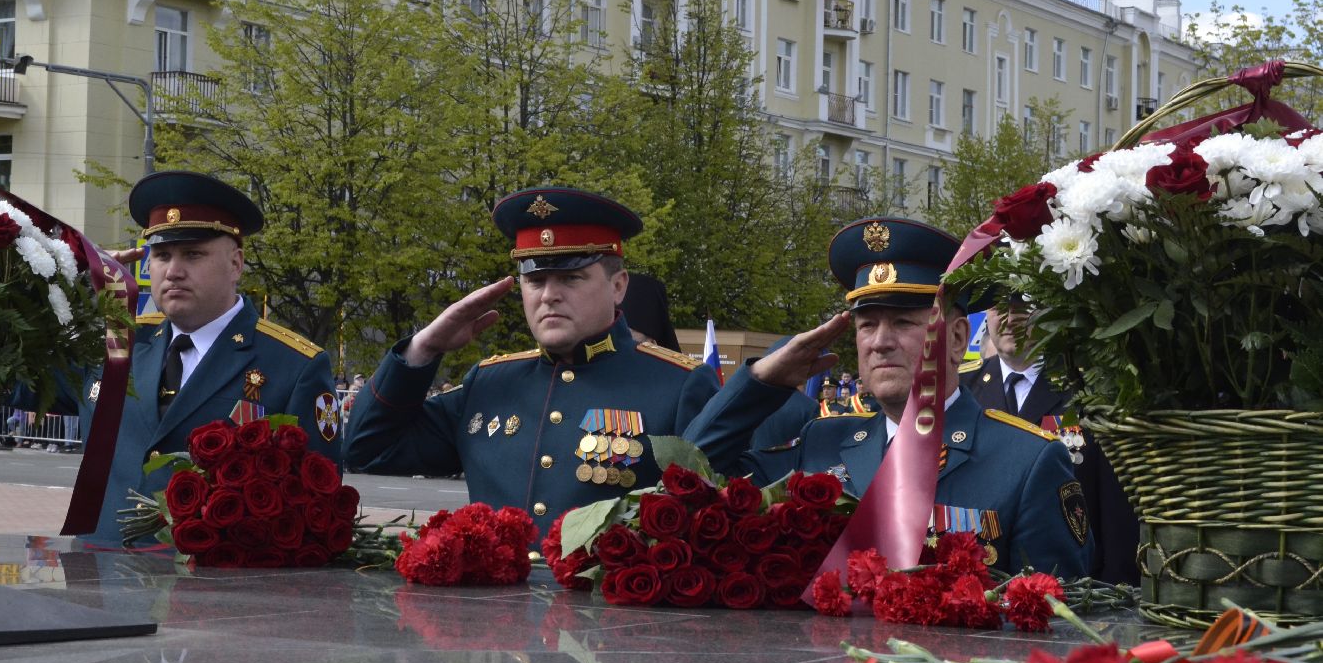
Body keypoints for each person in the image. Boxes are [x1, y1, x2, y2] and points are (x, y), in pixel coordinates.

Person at [688, 217, 1091, 578]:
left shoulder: (1027, 461)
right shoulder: (820, 442)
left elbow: (1055, 612)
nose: (880, 342)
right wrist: (761, 382)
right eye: (867, 325)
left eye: (902, 322)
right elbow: (692, 477)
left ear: (956, 339)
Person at [343, 186, 720, 535]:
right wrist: (423, 348)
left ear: (618, 286)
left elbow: (714, 521)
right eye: (535, 280)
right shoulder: (489, 383)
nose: (548, 295)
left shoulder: (678, 386)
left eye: (571, 278)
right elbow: (368, 450)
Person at [76, 171, 340, 544]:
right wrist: (71, 282)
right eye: (162, 255)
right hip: (98, 572)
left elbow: (317, 509)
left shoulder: (294, 367)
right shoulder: (117, 343)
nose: (173, 271)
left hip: (212, 578)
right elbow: (14, 376)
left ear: (236, 264)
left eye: (193, 254)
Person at [963, 294, 1138, 583]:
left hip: (1071, 581)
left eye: (1022, 306)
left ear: (1048, 308)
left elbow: (1116, 507)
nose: (1010, 318)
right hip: (984, 579)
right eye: (999, 307)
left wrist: (1117, 589)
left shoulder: (1090, 388)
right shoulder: (964, 390)